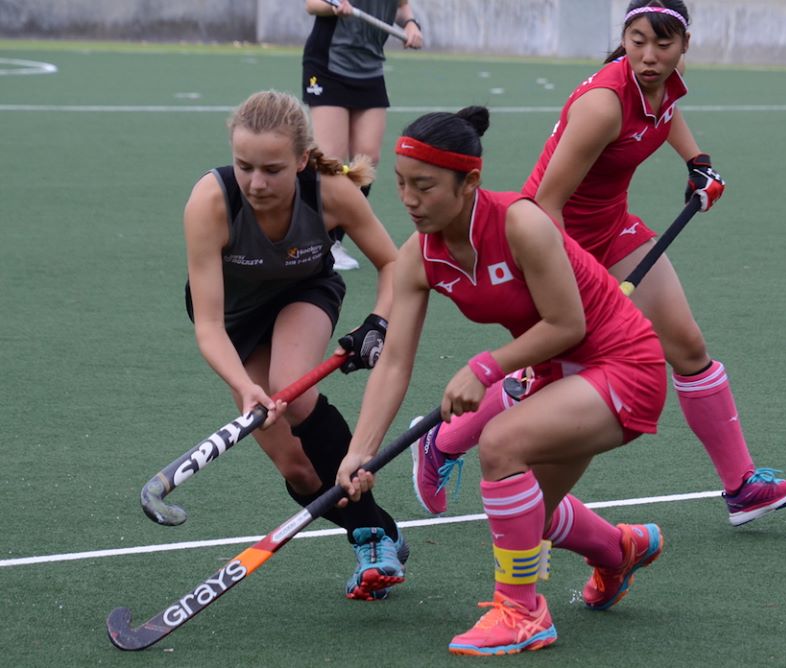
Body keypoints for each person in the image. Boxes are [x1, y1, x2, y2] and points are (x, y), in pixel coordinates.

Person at [414, 0, 786, 527]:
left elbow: (663, 114)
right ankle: (442, 442)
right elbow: (546, 206)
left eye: (663, 45)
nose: (649, 57)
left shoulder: (661, 83)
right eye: (637, 42)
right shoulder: (602, 104)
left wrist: (697, 162)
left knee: (688, 345)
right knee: (546, 377)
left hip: (612, 228)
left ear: (684, 46)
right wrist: (587, 287)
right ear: (623, 39)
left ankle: (743, 488)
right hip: (551, 243)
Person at [336, 107, 668, 655]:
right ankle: (619, 549)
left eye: (425, 186)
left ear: (469, 182)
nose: (410, 200)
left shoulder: (521, 223)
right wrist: (359, 452)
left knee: (500, 444)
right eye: (400, 184)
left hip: (624, 364)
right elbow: (394, 362)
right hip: (559, 375)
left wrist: (485, 367)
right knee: (530, 515)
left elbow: (568, 324)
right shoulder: (419, 256)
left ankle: (522, 612)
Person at [183, 89, 406, 601]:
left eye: (273, 169)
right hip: (236, 322)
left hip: (304, 294)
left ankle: (369, 541)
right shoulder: (211, 203)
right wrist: (244, 387)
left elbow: (394, 264)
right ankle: (382, 530)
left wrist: (378, 321)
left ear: (302, 159)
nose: (256, 183)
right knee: (300, 472)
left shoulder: (331, 192)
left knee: (293, 389)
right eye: (245, 166)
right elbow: (209, 325)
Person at [303, 0, 423, 270]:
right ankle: (324, 241)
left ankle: (333, 237)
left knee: (366, 159)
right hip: (328, 64)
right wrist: (333, 7)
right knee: (331, 158)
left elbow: (402, 6)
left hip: (369, 68)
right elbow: (312, 4)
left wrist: (411, 24)